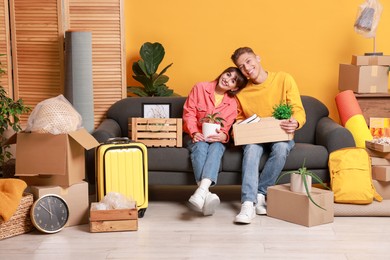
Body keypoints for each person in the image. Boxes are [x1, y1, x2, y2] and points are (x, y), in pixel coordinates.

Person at [231, 47, 306, 224]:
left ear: (258, 58)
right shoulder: (242, 92)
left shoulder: (283, 79)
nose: (247, 68)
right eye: (241, 67)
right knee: (251, 150)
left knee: (281, 148)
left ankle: (260, 194)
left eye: (249, 61)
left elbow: (297, 109)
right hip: (254, 137)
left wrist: (295, 121)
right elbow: (240, 118)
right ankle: (248, 203)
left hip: (280, 134)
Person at [183, 67, 247, 216]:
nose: (227, 79)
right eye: (228, 74)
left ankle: (201, 192)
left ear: (235, 88)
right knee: (200, 148)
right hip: (195, 135)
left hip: (215, 140)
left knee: (217, 148)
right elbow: (189, 113)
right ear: (222, 73)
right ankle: (206, 193)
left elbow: (228, 128)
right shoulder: (200, 88)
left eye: (233, 81)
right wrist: (194, 132)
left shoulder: (232, 103)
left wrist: (224, 136)